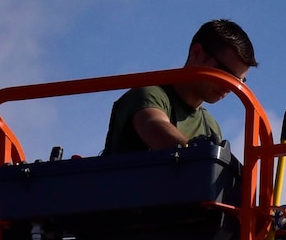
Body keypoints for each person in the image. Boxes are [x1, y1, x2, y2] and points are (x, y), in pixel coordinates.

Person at [103, 20, 257, 154]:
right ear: (196, 53)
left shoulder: (210, 126)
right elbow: (154, 127)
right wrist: (195, 154)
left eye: (238, 81)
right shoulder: (149, 95)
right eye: (225, 73)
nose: (229, 86)